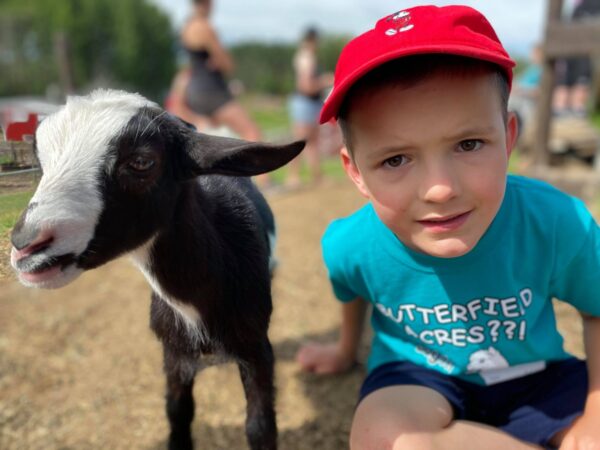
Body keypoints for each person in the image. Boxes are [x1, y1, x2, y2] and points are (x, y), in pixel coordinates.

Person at [295, 5, 600, 449]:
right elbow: (350, 288)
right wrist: (344, 352)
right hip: (418, 376)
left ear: (509, 137)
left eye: (468, 144)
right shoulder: (351, 244)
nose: (439, 189)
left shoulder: (557, 222)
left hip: (542, 380)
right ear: (356, 170)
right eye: (395, 159)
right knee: (383, 436)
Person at [180, 0, 272, 186]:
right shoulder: (205, 27)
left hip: (195, 91)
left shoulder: (186, 27)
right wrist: (221, 59)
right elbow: (227, 64)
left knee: (214, 138)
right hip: (212, 90)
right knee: (251, 130)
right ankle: (264, 183)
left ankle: (215, 186)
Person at [286, 27, 334, 188]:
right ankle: (292, 177)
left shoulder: (306, 56)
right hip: (305, 102)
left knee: (312, 141)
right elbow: (305, 86)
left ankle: (317, 177)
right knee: (300, 141)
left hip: (309, 103)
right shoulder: (306, 58)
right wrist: (325, 81)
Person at [553, 0, 600, 117]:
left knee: (580, 84)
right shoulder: (579, 6)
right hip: (570, 48)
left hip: (585, 50)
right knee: (565, 84)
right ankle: (563, 112)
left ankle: (575, 112)